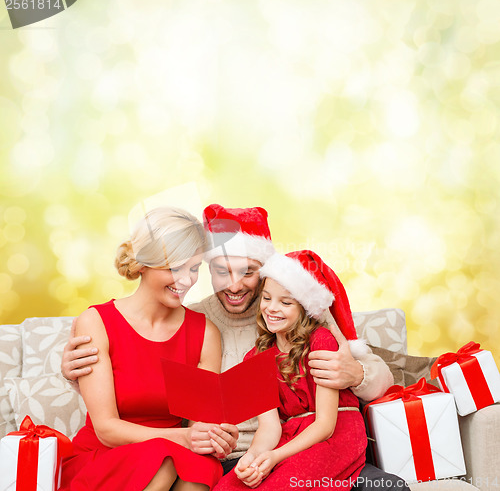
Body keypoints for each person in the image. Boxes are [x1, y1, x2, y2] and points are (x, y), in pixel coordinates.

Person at [62, 204, 408, 490]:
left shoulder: (301, 310)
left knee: (386, 488)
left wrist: (357, 373)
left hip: (310, 446)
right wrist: (76, 373)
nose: (234, 285)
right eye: (219, 271)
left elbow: (380, 377)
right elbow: (169, 399)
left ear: (266, 270)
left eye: (248, 272)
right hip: (238, 458)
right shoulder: (198, 320)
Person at [60, 207, 238, 491]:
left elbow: (199, 423)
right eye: (174, 268)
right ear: (143, 263)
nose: (186, 280)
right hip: (106, 457)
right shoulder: (96, 323)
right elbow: (107, 430)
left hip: (173, 452)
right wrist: (185, 439)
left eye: (193, 269)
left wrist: (213, 436)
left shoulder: (205, 333)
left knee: (201, 467)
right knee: (163, 459)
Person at [215, 250, 367, 490]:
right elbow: (269, 427)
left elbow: (326, 426)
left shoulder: (321, 341)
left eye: (285, 302)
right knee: (229, 486)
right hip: (290, 435)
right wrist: (252, 457)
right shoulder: (254, 358)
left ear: (304, 308)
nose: (272, 309)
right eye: (266, 298)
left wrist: (276, 457)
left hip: (335, 435)